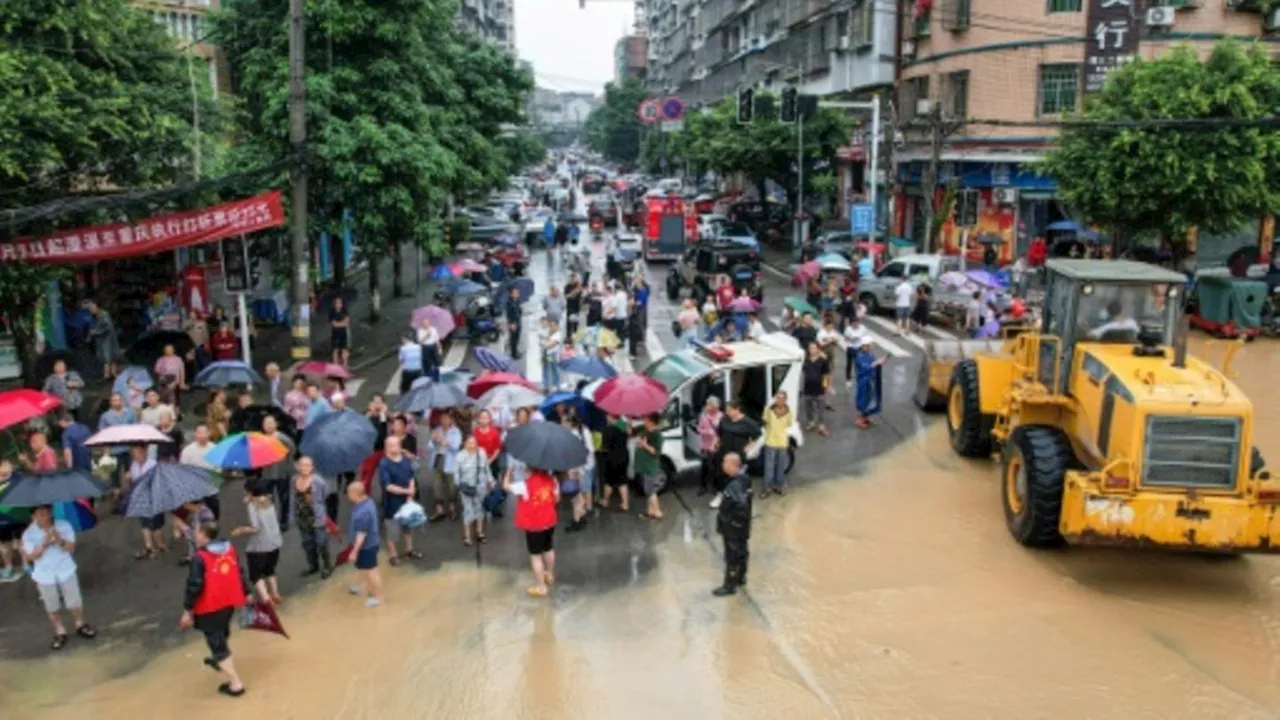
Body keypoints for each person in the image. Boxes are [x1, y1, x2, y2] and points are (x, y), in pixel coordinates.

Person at [180, 520, 252, 697]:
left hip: (209, 606)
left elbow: (194, 585)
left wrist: (187, 609)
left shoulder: (199, 558)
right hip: (228, 602)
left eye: (197, 532)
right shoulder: (229, 549)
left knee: (217, 643)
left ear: (204, 535)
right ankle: (220, 658)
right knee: (222, 633)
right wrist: (247, 591)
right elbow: (239, 572)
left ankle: (236, 684)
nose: (195, 535)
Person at [22, 504, 97, 650]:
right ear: (33, 516)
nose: (44, 517)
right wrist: (43, 545)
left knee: (74, 601)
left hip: (65, 568)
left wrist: (59, 540)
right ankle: (60, 631)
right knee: (52, 605)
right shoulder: (28, 534)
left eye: (46, 513)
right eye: (40, 514)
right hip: (44, 573)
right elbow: (31, 557)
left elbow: (71, 548)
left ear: (50, 512)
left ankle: (80, 624)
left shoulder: (63, 525)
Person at [508, 463, 559, 598]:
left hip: (534, 524)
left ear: (530, 469)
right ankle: (549, 574)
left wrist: (508, 472)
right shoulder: (552, 480)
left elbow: (506, 486)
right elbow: (557, 499)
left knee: (535, 556)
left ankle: (541, 587)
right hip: (549, 521)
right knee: (548, 548)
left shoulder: (525, 485)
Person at [231, 483, 284, 606]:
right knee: (270, 570)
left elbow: (255, 528)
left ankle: (266, 599)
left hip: (259, 546)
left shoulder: (253, 506)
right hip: (275, 542)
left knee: (255, 574)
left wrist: (241, 530)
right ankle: (275, 593)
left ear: (250, 493)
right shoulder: (270, 501)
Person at [713, 452, 753, 597]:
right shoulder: (745, 479)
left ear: (732, 465)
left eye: (725, 462)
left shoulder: (734, 486)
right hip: (743, 526)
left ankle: (729, 585)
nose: (723, 465)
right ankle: (741, 577)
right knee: (742, 551)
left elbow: (740, 505)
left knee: (732, 555)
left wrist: (734, 522)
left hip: (733, 527)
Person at [379, 436, 421, 566]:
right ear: (386, 448)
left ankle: (409, 549)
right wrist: (407, 492)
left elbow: (411, 476)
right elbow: (388, 486)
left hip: (406, 500)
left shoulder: (406, 460)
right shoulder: (384, 463)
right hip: (392, 502)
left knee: (407, 526)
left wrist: (411, 491)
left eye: (396, 445)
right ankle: (393, 554)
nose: (393, 448)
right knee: (392, 528)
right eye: (390, 445)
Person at [711, 401, 760, 509]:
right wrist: (716, 442)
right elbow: (719, 433)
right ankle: (720, 495)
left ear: (737, 409)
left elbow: (758, 434)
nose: (727, 412)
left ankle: (736, 497)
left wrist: (751, 445)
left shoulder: (747, 422)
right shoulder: (724, 419)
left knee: (735, 476)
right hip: (723, 451)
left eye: (729, 410)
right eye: (726, 410)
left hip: (737, 454)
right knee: (720, 474)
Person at [291, 456, 332, 578]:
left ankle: (327, 566)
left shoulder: (318, 481)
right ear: (297, 466)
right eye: (302, 465)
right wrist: (291, 516)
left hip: (317, 518)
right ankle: (313, 566)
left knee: (321, 542)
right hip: (302, 518)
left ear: (312, 467)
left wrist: (315, 503)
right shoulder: (294, 479)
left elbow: (325, 495)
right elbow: (292, 498)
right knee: (307, 543)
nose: (304, 468)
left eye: (307, 465)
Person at [346, 482, 384, 607]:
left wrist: (354, 552)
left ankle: (379, 597)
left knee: (372, 572)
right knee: (363, 568)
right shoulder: (368, 501)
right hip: (372, 542)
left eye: (348, 493)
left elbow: (361, 535)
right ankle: (361, 586)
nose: (347, 496)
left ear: (355, 494)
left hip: (367, 547)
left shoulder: (362, 513)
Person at [125, 444, 165, 559]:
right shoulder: (134, 465)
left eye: (137, 453)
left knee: (157, 525)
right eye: (133, 454)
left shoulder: (153, 464)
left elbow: (158, 482)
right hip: (140, 499)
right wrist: (128, 479)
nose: (135, 456)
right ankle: (149, 547)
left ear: (144, 452)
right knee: (144, 524)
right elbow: (131, 484)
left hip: (154, 498)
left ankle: (160, 545)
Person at [455, 434, 494, 546]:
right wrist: (460, 486)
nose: (472, 445)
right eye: (470, 443)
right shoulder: (459, 456)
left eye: (474, 443)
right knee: (468, 510)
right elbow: (456, 475)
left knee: (480, 509)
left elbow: (487, 469)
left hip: (480, 487)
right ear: (465, 444)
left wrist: (490, 480)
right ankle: (467, 536)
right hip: (466, 488)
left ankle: (480, 533)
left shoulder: (482, 453)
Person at [258, 416, 295, 529]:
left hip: (282, 473)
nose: (269, 425)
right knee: (267, 498)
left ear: (276, 424)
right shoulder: (261, 439)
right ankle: (270, 520)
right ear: (263, 426)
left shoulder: (283, 438)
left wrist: (288, 469)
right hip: (266, 474)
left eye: (271, 423)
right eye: (266, 423)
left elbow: (292, 450)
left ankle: (284, 520)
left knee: (284, 498)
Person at [427, 412, 461, 522]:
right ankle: (439, 509)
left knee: (452, 485)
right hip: (438, 458)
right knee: (437, 484)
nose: (443, 420)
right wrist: (433, 440)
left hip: (450, 460)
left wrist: (444, 441)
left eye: (446, 418)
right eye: (442, 418)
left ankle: (452, 508)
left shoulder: (456, 431)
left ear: (451, 419)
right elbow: (429, 446)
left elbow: (456, 447)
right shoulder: (437, 429)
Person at [98, 393, 137, 489]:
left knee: (132, 473)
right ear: (111, 402)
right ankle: (116, 493)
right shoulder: (105, 416)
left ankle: (132, 492)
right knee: (114, 475)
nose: (117, 402)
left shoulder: (130, 413)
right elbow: (103, 435)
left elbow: (136, 430)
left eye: (119, 400)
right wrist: (106, 452)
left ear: (122, 401)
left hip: (129, 449)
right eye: (114, 400)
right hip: (113, 450)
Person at [564, 414, 595, 533]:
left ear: (570, 423)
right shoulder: (578, 432)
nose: (563, 424)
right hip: (578, 467)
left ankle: (578, 519)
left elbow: (589, 450)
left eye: (564, 422)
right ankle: (579, 517)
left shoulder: (579, 433)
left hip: (581, 468)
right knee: (578, 495)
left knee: (577, 495)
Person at [761, 392, 794, 497]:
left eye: (781, 398)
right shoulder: (768, 409)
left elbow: (789, 423)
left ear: (785, 400)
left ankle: (779, 486)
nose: (779, 400)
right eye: (777, 398)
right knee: (769, 467)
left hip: (782, 442)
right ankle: (767, 488)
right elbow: (765, 421)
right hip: (770, 441)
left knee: (780, 466)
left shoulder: (789, 411)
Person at [634, 413, 665, 521]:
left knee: (650, 490)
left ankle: (657, 512)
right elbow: (641, 443)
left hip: (650, 466)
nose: (644, 421)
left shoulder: (657, 435)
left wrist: (645, 445)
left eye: (646, 419)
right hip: (644, 465)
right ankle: (650, 511)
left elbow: (655, 452)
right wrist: (639, 443)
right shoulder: (646, 431)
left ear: (652, 421)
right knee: (649, 489)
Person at [597, 413, 630, 512]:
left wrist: (599, 449)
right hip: (624, 456)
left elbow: (604, 447)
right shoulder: (624, 426)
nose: (606, 417)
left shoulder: (608, 430)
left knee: (609, 481)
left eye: (607, 416)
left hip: (612, 459)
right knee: (622, 480)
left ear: (611, 417)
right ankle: (625, 504)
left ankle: (606, 501)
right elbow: (629, 434)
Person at [852, 336, 886, 429]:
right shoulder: (859, 356)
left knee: (869, 398)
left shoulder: (870, 354)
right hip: (863, 381)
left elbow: (874, 363)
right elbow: (865, 367)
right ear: (864, 346)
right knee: (862, 399)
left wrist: (880, 362)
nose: (871, 346)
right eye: (870, 345)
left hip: (870, 380)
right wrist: (876, 363)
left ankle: (865, 416)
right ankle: (859, 419)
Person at [86, 300, 120, 380]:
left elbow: (108, 327)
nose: (90, 309)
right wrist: (91, 335)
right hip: (102, 340)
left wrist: (96, 332)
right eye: (90, 308)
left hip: (107, 339)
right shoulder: (95, 316)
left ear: (98, 307)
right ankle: (111, 374)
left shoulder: (104, 315)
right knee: (109, 357)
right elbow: (93, 327)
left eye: (92, 307)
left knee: (107, 357)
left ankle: (108, 375)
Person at [0, 460, 23, 581]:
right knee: (5, 544)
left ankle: (26, 565)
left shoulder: (17, 477)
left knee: (21, 542)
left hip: (18, 515)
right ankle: (8, 567)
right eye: (5, 464)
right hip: (2, 518)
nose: (9, 465)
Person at [801, 342, 830, 436]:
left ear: (818, 349)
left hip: (819, 387)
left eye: (814, 348)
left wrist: (825, 386)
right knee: (808, 406)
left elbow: (826, 374)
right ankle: (811, 422)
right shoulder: (806, 360)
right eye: (810, 348)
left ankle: (821, 424)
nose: (812, 350)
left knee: (820, 407)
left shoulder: (823, 360)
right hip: (808, 387)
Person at [817, 316, 841, 409]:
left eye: (832, 326)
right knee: (824, 371)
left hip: (831, 352)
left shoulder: (833, 332)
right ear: (825, 325)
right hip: (824, 353)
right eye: (829, 326)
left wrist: (834, 341)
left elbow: (837, 341)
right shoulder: (821, 333)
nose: (831, 328)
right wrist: (830, 340)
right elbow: (821, 344)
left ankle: (829, 386)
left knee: (831, 370)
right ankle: (823, 386)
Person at [154, 343, 186, 409]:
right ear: (164, 351)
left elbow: (182, 371)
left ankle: (176, 414)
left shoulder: (178, 359)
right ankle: (166, 412)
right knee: (165, 398)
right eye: (167, 350)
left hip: (176, 381)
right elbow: (156, 370)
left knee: (176, 399)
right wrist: (161, 372)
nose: (169, 351)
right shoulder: (161, 359)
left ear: (173, 350)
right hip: (165, 381)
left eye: (170, 349)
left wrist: (182, 382)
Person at [539, 317, 563, 392]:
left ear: (557, 326)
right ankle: (545, 386)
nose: (551, 327)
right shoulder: (546, 331)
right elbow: (541, 342)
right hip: (545, 354)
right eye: (550, 325)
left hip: (552, 355)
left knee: (554, 369)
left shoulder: (558, 334)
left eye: (553, 325)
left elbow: (551, 344)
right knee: (545, 369)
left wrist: (544, 346)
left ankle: (557, 386)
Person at [417, 318, 442, 383]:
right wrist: (426, 335)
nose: (426, 325)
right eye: (424, 323)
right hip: (425, 347)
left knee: (437, 361)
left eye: (427, 323)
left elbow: (437, 339)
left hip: (433, 346)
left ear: (429, 323)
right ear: (422, 324)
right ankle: (428, 377)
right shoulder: (420, 331)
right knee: (426, 363)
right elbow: (420, 342)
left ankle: (439, 375)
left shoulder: (433, 329)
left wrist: (439, 348)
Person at [330, 296, 351, 367]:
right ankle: (335, 366)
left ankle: (345, 365)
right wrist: (342, 323)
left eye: (339, 303)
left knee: (344, 349)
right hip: (335, 334)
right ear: (334, 304)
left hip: (343, 334)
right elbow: (334, 324)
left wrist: (340, 324)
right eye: (336, 303)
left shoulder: (345, 312)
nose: (338, 304)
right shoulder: (332, 313)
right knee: (335, 350)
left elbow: (347, 323)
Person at [505, 286, 523, 359]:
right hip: (513, 323)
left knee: (517, 338)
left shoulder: (517, 301)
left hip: (518, 322)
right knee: (513, 339)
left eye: (517, 292)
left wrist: (520, 310)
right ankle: (514, 354)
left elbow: (519, 312)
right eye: (515, 293)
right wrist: (511, 324)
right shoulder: (509, 303)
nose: (517, 294)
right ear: (511, 294)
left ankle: (516, 351)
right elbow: (508, 315)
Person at [564, 273, 583, 337]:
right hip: (569, 307)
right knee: (569, 324)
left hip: (577, 308)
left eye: (574, 278)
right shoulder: (567, 287)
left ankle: (576, 338)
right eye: (571, 278)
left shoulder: (579, 286)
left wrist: (580, 290)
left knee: (576, 324)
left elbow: (582, 296)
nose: (572, 280)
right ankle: (568, 338)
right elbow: (566, 296)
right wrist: (575, 292)